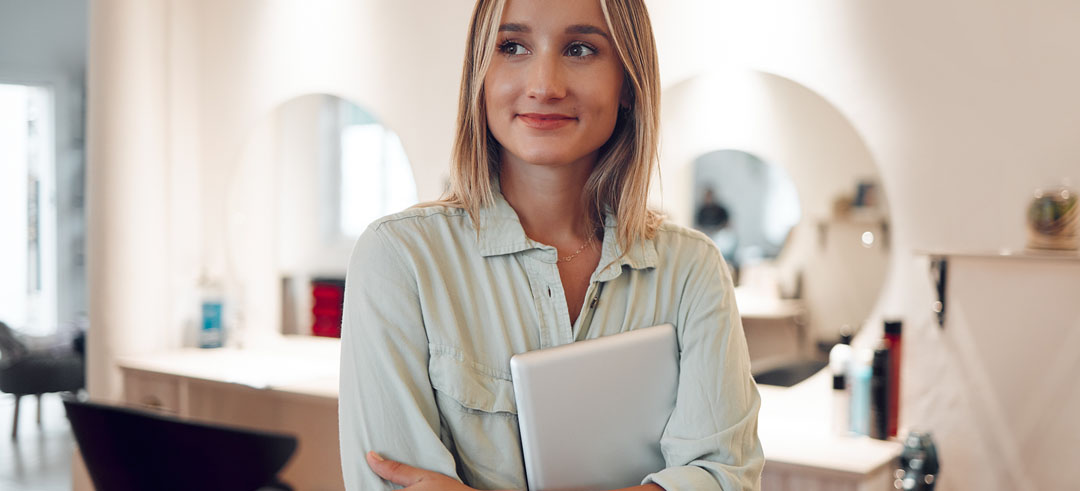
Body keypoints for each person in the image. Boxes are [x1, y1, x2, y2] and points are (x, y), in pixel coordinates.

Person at [338, 0, 764, 489]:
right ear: (481, 73)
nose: (544, 85)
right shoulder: (399, 259)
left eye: (580, 49)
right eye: (512, 46)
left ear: (627, 81)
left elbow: (724, 477)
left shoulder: (692, 269)